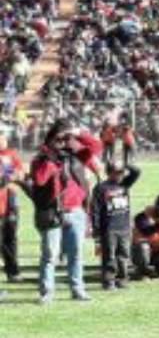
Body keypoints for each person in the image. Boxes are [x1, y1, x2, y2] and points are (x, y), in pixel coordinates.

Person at [29, 120, 102, 304]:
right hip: (52, 212)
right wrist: (50, 157)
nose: (62, 143)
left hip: (76, 212)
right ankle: (47, 292)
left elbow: (96, 146)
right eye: (58, 139)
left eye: (64, 139)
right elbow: (39, 180)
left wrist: (75, 133)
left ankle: (77, 290)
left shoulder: (76, 156)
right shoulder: (41, 160)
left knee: (76, 254)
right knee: (50, 255)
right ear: (50, 140)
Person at [89, 161, 140, 290]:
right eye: (116, 172)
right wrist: (96, 228)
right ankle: (108, 281)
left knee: (123, 255)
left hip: (124, 226)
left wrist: (125, 163)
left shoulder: (124, 184)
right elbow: (95, 209)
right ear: (109, 173)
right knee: (109, 256)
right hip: (108, 228)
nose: (119, 175)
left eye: (121, 173)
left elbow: (136, 172)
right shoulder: (101, 188)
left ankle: (122, 279)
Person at [0, 124, 24, 284]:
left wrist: (12, 178)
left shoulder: (11, 154)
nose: (3, 139)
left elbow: (21, 173)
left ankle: (13, 272)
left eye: (3, 136)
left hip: (10, 201)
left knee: (10, 237)